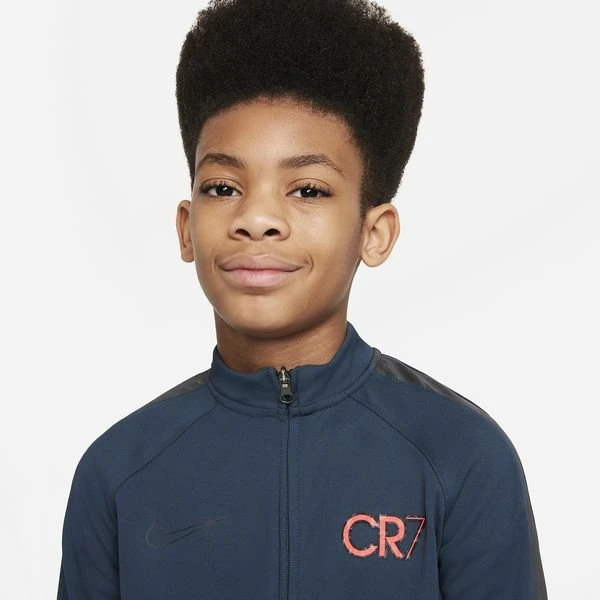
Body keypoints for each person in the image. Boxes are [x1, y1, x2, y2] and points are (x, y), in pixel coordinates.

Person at [57, 0, 547, 598]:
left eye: (308, 190)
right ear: (186, 228)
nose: (257, 218)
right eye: (223, 187)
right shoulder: (118, 472)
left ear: (374, 232)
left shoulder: (461, 456)